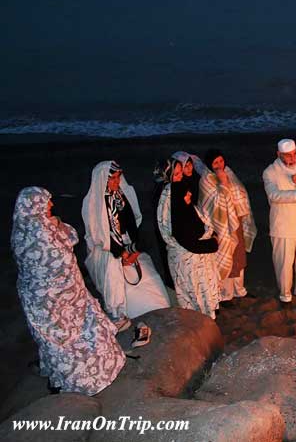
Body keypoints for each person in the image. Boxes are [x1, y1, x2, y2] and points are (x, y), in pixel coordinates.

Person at [12, 187, 126, 395]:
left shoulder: (21, 227)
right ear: (36, 205)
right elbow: (65, 248)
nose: (52, 205)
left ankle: (60, 378)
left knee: (54, 339)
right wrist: (56, 225)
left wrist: (55, 224)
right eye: (47, 202)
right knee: (73, 336)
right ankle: (87, 380)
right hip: (59, 298)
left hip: (39, 301)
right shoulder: (41, 231)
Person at [82, 161, 170, 330]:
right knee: (114, 279)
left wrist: (134, 250)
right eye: (112, 178)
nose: (116, 182)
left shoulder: (121, 197)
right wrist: (121, 255)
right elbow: (99, 236)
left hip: (126, 244)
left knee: (152, 287)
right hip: (106, 250)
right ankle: (118, 314)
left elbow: (132, 225)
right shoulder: (93, 203)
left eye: (118, 177)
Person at [157, 156, 221, 319]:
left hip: (192, 254)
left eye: (181, 173)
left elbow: (194, 219)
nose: (188, 194)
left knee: (197, 297)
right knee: (196, 295)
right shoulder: (173, 198)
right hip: (189, 259)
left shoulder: (175, 196)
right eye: (176, 174)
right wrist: (212, 244)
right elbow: (186, 239)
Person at [198, 149, 257, 303]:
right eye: (215, 163)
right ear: (209, 164)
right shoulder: (207, 180)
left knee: (238, 257)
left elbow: (240, 192)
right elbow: (213, 205)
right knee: (226, 257)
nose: (219, 165)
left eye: (221, 161)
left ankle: (240, 290)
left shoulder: (229, 172)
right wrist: (223, 184)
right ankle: (226, 294)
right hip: (221, 225)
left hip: (235, 221)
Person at [263, 139, 296, 306]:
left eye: (294, 154)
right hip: (284, 225)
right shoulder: (270, 172)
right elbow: (274, 195)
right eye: (288, 155)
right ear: (279, 155)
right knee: (284, 262)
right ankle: (285, 295)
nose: (292, 158)